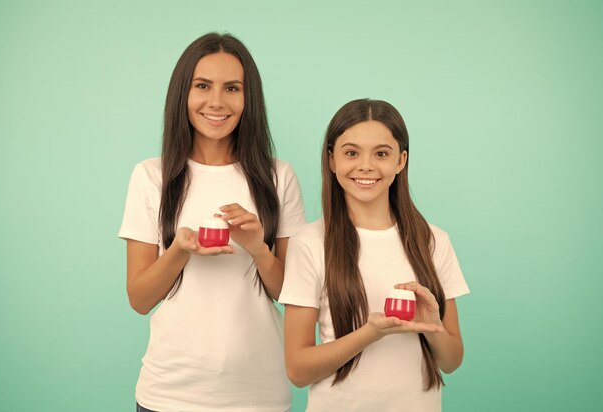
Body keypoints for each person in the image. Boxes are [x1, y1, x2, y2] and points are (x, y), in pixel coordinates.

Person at [118, 32, 306, 412]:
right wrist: (180, 250)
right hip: (169, 394)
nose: (217, 102)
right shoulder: (151, 176)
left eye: (232, 88)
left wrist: (257, 248)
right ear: (182, 94)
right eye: (202, 86)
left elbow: (293, 293)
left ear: (247, 97)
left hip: (259, 394)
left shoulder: (277, 176)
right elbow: (140, 299)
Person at [279, 99, 469, 411]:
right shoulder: (309, 242)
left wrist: (433, 325)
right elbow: (297, 370)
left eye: (381, 153)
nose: (366, 165)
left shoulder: (433, 241)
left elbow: (451, 361)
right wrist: (371, 333)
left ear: (401, 160)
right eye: (351, 153)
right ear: (332, 160)